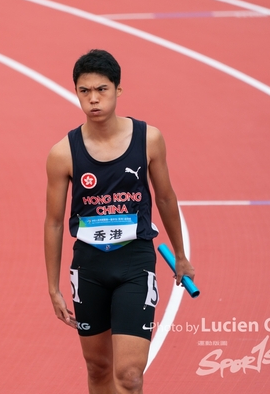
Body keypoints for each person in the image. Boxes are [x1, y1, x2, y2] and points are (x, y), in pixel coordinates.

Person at [44, 49, 195, 394]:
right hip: (90, 267)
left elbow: (166, 198)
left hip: (134, 263)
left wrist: (181, 255)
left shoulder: (148, 139)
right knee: (98, 368)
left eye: (102, 90)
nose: (94, 99)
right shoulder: (62, 154)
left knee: (129, 376)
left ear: (118, 91)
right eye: (85, 91)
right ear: (76, 92)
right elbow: (53, 223)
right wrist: (53, 287)